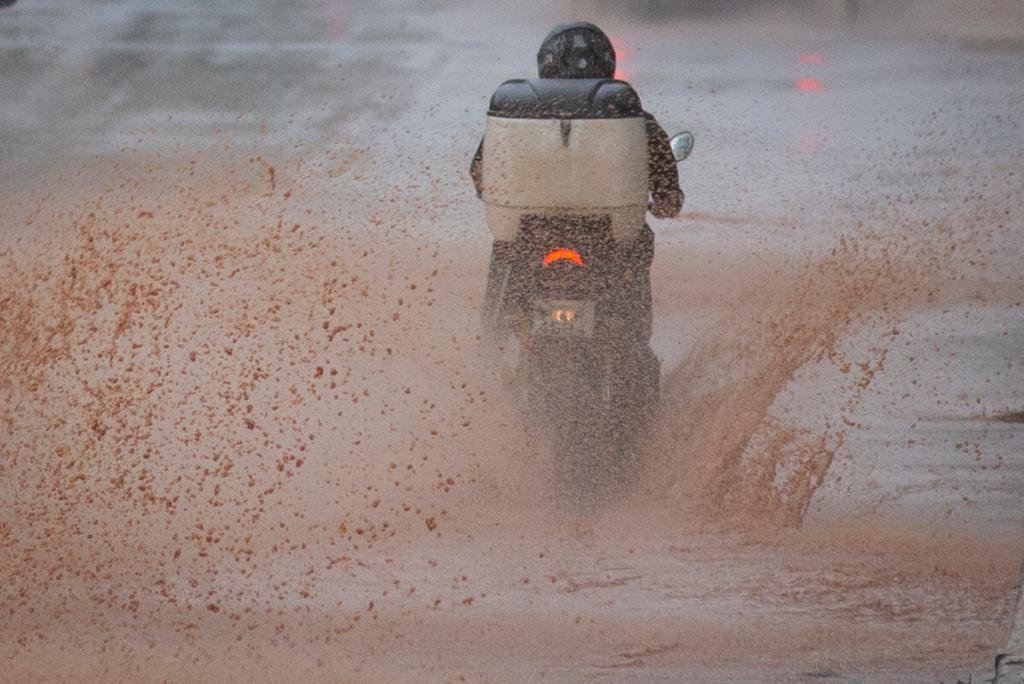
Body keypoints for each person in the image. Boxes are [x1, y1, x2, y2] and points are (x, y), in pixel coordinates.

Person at [470, 21, 684, 349]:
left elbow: (481, 173)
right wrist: (668, 199)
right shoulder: (625, 111)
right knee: (637, 249)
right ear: (607, 63)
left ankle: (491, 340)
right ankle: (633, 343)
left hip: (531, 237)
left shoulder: (516, 111)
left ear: (546, 62)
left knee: (504, 251)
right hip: (608, 241)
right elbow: (661, 170)